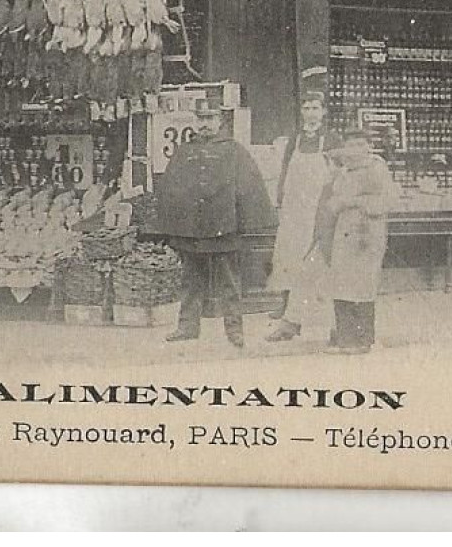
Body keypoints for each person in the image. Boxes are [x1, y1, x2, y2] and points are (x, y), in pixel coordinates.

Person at [155, 110, 277, 348]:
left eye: (210, 119)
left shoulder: (234, 150)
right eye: (201, 119)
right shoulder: (184, 152)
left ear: (220, 122)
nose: (205, 125)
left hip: (224, 226)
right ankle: (187, 327)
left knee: (229, 282)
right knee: (190, 280)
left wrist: (244, 222)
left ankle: (234, 331)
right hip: (192, 228)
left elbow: (249, 186)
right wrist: (175, 221)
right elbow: (171, 188)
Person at [311, 127, 395, 354]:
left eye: (360, 144)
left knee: (363, 285)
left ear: (369, 146)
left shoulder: (378, 169)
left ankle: (363, 339)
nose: (355, 150)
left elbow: (385, 202)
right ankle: (344, 338)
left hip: (367, 235)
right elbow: (331, 199)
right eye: (350, 145)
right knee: (341, 283)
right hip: (343, 233)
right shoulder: (342, 171)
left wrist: (351, 201)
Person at [265, 89, 340, 341]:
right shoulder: (295, 139)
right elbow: (285, 170)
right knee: (289, 257)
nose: (310, 113)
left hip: (317, 211)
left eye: (315, 108)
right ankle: (288, 314)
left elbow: (337, 176)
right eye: (306, 108)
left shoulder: (330, 139)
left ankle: (326, 322)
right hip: (294, 210)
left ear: (324, 112)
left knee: (316, 263)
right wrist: (280, 198)